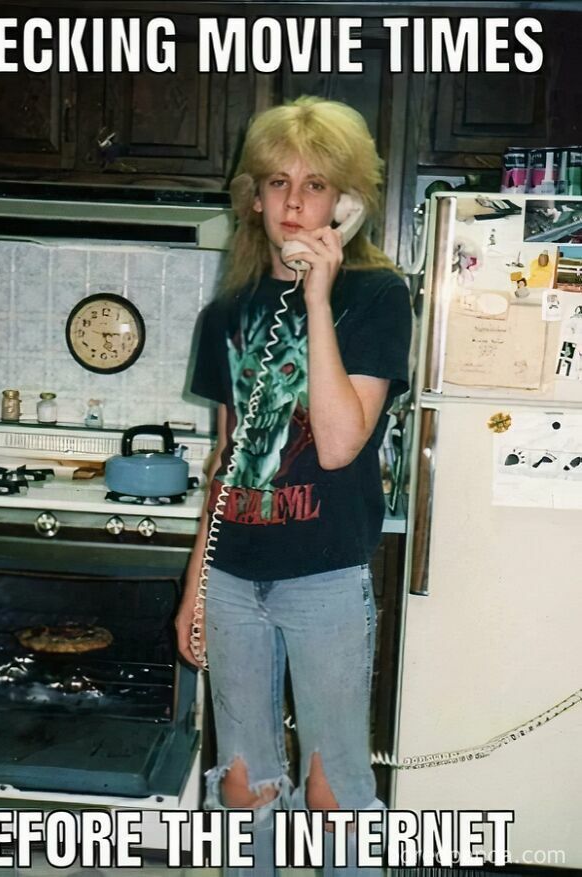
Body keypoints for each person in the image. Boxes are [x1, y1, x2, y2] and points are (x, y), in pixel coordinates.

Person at [177, 96, 412, 876]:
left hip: (325, 576)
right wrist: (195, 588)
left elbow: (342, 441)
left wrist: (316, 297)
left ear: (346, 202)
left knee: (332, 791)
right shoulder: (226, 315)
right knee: (242, 785)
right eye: (278, 183)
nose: (294, 202)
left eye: (315, 185)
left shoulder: (376, 298)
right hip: (235, 577)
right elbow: (224, 463)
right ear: (254, 197)